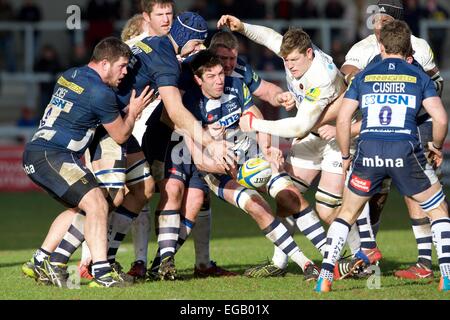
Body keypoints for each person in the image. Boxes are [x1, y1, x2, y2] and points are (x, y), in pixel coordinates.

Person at [217, 15, 367, 278]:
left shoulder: (321, 75)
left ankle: (360, 258)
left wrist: (256, 126)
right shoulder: (294, 51)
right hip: (312, 135)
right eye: (286, 60)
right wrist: (242, 27)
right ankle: (280, 262)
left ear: (309, 53)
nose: (289, 66)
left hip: (337, 137)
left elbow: (298, 127)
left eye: (294, 61)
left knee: (326, 209)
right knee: (287, 195)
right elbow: (270, 38)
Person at [316, 20, 450, 293]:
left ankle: (325, 278)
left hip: (369, 151)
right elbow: (440, 117)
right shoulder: (419, 76)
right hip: (405, 151)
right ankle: (446, 276)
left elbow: (343, 120)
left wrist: (344, 156)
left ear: (380, 46)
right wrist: (436, 146)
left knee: (347, 213)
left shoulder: (364, 76)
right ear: (408, 47)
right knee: (438, 210)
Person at [21, 37, 154, 288]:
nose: (125, 72)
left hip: (40, 152)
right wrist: (134, 111)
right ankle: (102, 273)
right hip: (52, 155)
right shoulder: (100, 92)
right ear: (104, 63)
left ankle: (42, 260)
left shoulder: (71, 74)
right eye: (122, 66)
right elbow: (121, 135)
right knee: (98, 202)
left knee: (83, 208)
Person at [185, 50, 321, 281]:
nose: (219, 80)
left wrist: (267, 148)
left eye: (220, 74)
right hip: (219, 172)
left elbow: (254, 115)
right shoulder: (189, 103)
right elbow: (199, 160)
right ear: (198, 79)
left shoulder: (235, 86)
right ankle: (306, 263)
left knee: (290, 195)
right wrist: (228, 168)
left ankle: (330, 256)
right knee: (257, 206)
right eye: (212, 76)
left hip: (251, 158)